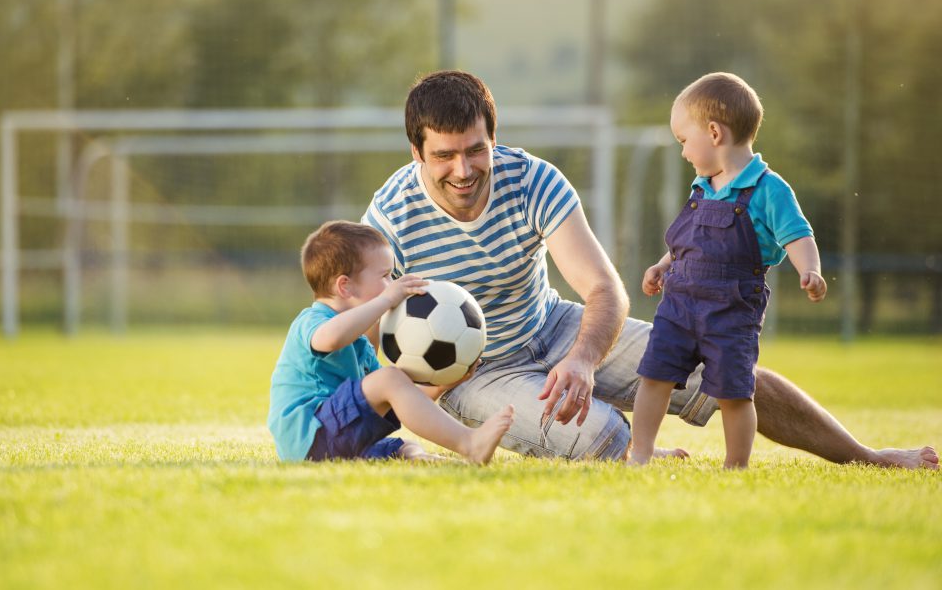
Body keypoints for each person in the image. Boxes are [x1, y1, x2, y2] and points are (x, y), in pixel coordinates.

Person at [361, 69, 938, 469]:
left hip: (553, 328)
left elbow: (603, 289)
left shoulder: (533, 180)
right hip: (477, 375)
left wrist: (583, 360)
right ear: (417, 152)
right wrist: (418, 388)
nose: (463, 169)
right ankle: (632, 446)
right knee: (601, 436)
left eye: (476, 150)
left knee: (728, 373)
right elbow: (365, 324)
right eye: (443, 155)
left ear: (494, 139)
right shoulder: (388, 218)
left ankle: (868, 456)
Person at [628, 72, 826, 469]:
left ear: (714, 133)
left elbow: (797, 234)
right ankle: (641, 453)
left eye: (684, 141)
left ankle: (736, 465)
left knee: (735, 392)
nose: (684, 153)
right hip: (679, 304)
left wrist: (811, 269)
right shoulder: (702, 186)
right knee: (654, 376)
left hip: (731, 311)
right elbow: (689, 241)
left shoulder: (770, 189)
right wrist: (663, 265)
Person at [267, 220, 514, 464]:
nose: (391, 284)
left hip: (338, 436)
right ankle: (469, 444)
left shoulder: (360, 344)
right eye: (385, 276)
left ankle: (425, 459)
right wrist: (385, 301)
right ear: (345, 286)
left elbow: (394, 401)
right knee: (389, 377)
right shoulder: (313, 320)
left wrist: (442, 385)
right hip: (311, 436)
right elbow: (330, 339)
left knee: (404, 446)